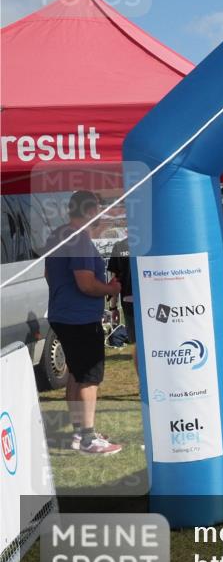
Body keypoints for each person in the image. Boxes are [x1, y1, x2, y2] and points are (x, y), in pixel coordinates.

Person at [44, 191, 123, 455]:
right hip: (79, 319)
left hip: (62, 314)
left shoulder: (57, 235)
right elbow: (86, 284)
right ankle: (88, 438)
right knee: (89, 375)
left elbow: (49, 274)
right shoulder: (78, 239)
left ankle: (80, 432)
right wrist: (110, 288)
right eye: (100, 210)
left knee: (76, 374)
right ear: (91, 211)